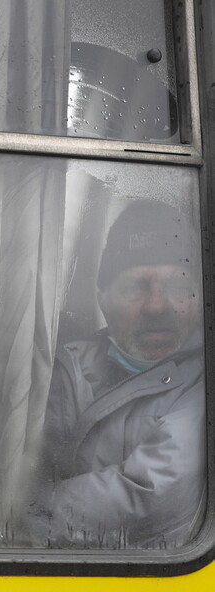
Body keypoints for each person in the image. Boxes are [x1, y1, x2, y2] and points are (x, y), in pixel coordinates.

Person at [29, 200, 204, 548]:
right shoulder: (61, 367)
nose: (157, 305)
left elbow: (150, 496)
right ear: (103, 299)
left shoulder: (205, 381)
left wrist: (15, 517)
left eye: (179, 287)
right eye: (136, 287)